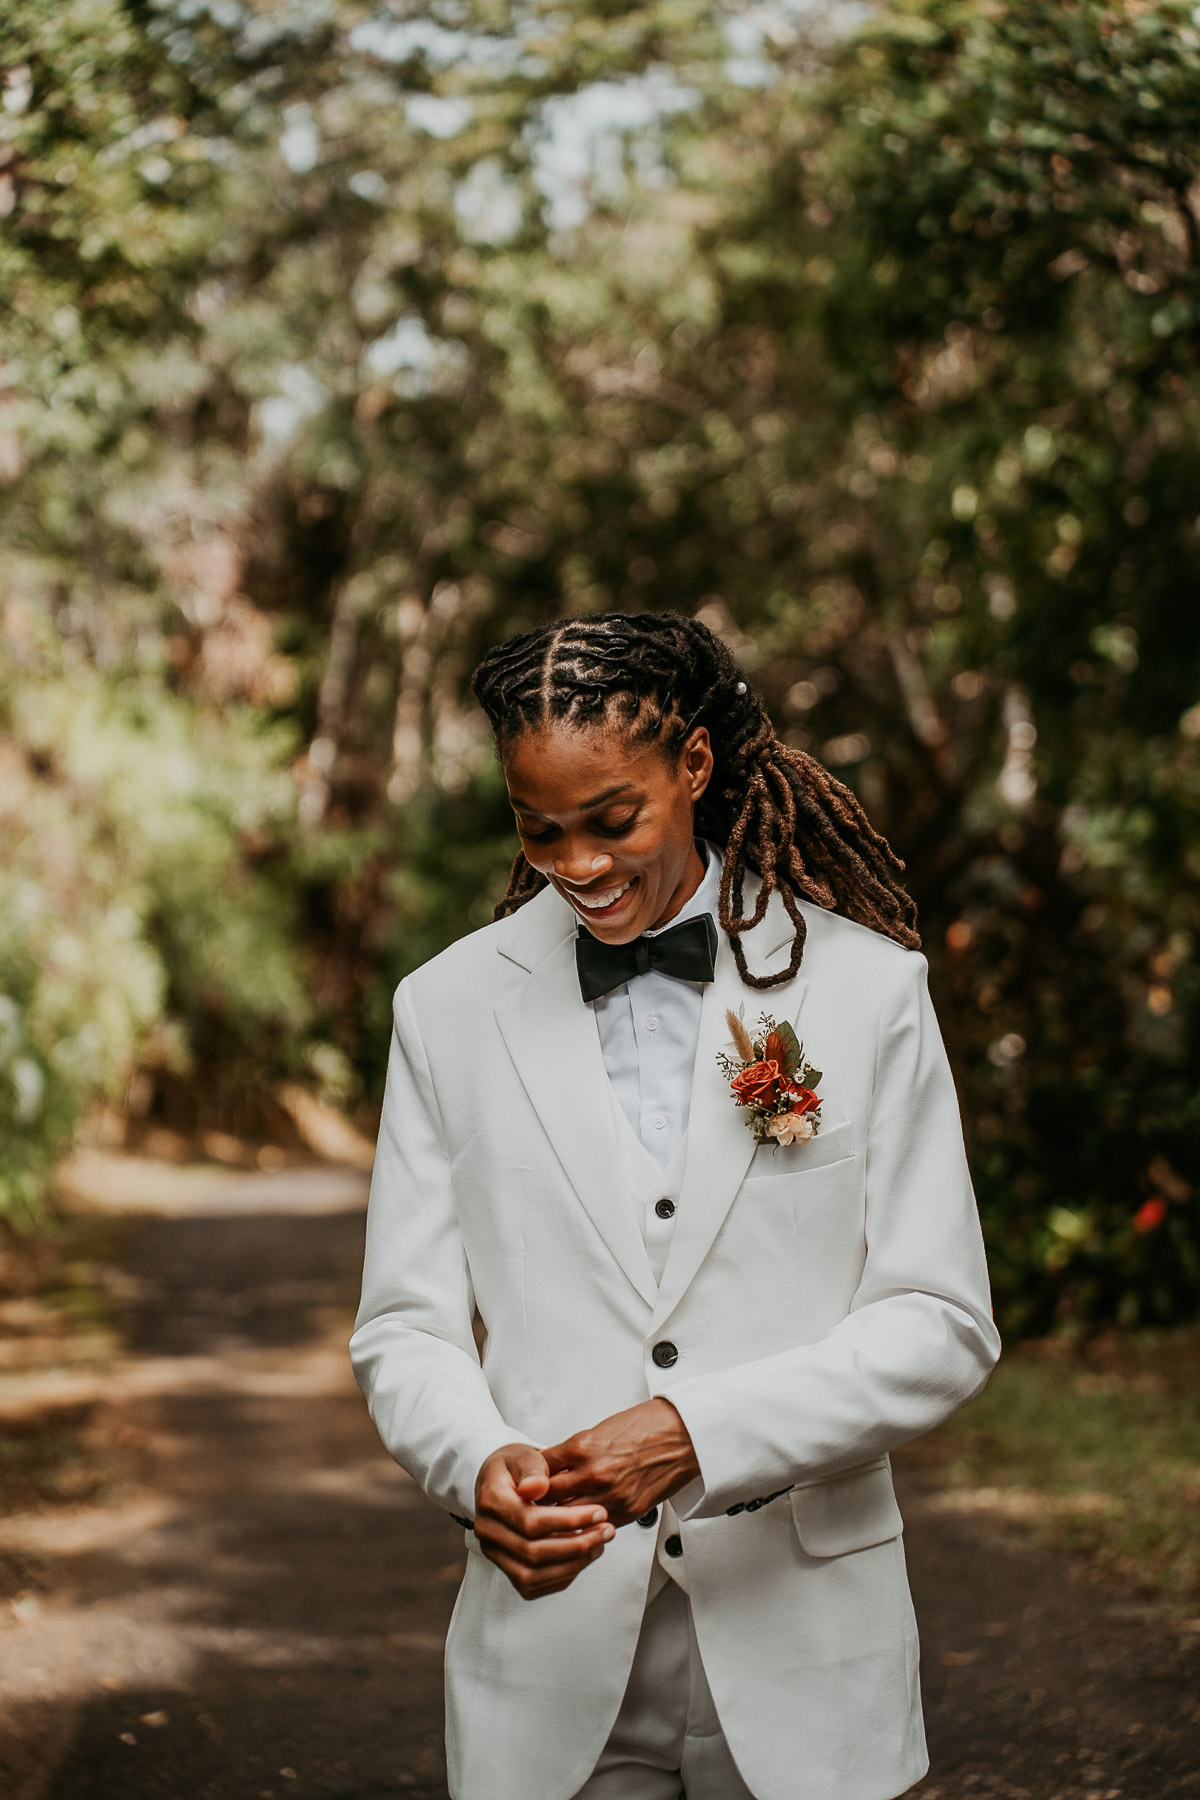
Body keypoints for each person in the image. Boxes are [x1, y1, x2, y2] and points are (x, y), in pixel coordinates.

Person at [350, 610, 1000, 1800]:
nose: (578, 865)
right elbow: (406, 1326)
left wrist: (693, 1435)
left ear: (693, 767)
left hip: (811, 1652)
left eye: (613, 821)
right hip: (549, 1668)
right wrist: (476, 1460)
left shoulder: (868, 990)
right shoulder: (443, 1012)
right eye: (538, 830)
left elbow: (941, 1321)